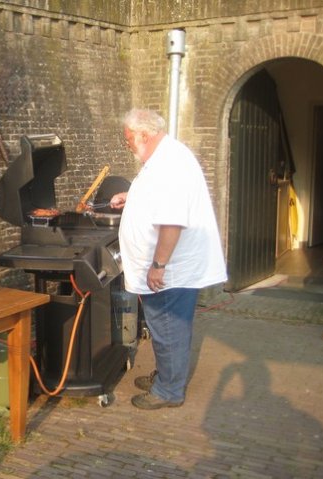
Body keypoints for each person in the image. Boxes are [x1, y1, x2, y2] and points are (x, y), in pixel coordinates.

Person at [110, 109, 227, 410]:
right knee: (165, 326)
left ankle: (169, 390)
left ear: (143, 135)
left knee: (168, 326)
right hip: (168, 267)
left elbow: (173, 221)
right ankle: (166, 375)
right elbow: (159, 199)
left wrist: (158, 265)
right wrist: (132, 197)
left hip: (171, 269)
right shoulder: (163, 158)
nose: (127, 145)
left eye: (128, 140)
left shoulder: (170, 164)